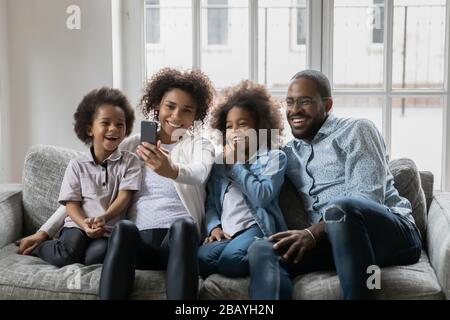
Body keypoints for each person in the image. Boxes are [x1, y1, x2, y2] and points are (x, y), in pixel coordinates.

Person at [16, 68, 216, 300]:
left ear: (196, 115)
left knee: (184, 225)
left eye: (187, 110)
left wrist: (170, 170)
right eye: (170, 106)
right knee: (123, 229)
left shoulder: (200, 146)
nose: (176, 115)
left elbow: (199, 173)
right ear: (157, 106)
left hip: (178, 243)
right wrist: (43, 233)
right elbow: (88, 193)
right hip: (137, 243)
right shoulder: (132, 146)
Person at [247, 70, 422, 300]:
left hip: (391, 235)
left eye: (305, 102)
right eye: (289, 102)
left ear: (327, 104)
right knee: (263, 250)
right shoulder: (288, 153)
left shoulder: (356, 130)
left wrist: (311, 232)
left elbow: (365, 197)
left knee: (342, 207)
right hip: (334, 242)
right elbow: (250, 165)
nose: (294, 110)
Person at [30, 87, 141, 267]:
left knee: (94, 258)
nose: (114, 128)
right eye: (106, 123)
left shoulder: (130, 161)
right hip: (77, 225)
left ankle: (83, 251)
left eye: (120, 124)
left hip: (108, 229)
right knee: (67, 255)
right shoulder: (77, 165)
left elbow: (124, 197)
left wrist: (104, 218)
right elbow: (71, 204)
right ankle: (40, 248)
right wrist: (84, 224)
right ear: (90, 129)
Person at [197, 80, 287, 279]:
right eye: (229, 126)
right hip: (229, 233)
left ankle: (272, 255)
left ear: (259, 127)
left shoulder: (273, 158)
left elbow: (262, 197)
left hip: (255, 228)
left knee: (231, 261)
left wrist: (237, 164)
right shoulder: (220, 163)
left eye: (243, 124)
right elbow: (211, 201)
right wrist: (214, 227)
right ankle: (237, 251)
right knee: (200, 258)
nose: (235, 131)